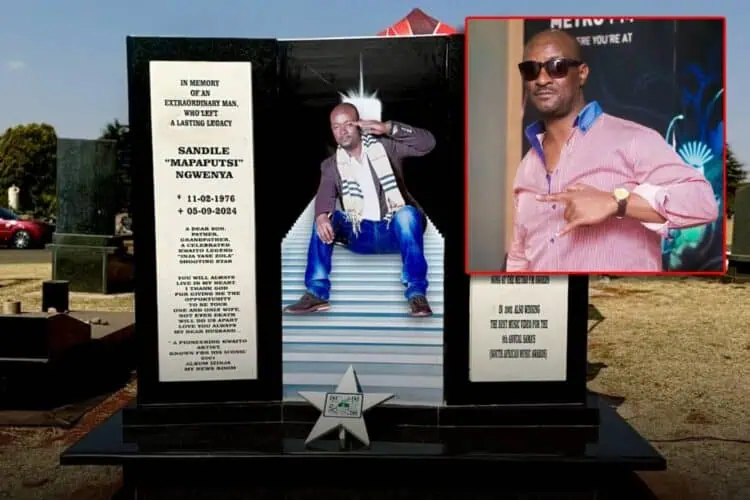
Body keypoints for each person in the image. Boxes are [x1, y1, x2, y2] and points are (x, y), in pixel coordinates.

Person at [506, 29, 719, 272]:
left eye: (557, 67)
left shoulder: (633, 140)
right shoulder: (527, 166)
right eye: (531, 70)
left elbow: (703, 202)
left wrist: (617, 202)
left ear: (582, 73)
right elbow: (519, 258)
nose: (542, 79)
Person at [284, 103, 436, 316]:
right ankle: (316, 293)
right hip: (359, 235)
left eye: (347, 124)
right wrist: (321, 216)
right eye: (336, 127)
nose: (342, 131)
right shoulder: (331, 165)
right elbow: (325, 195)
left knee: (408, 214)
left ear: (359, 124)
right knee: (324, 218)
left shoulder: (386, 148)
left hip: (393, 232)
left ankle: (417, 294)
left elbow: (428, 144)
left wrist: (388, 128)